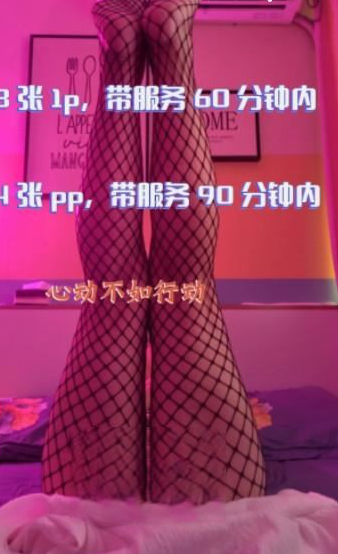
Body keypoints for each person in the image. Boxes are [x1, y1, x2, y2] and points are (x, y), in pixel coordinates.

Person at [41, 0, 266, 505]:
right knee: (174, 291)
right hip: (197, 526)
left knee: (120, 294)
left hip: (90, 532)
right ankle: (162, 53)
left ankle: (125, 60)